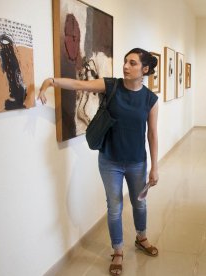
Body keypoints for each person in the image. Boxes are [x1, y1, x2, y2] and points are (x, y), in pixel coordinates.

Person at [38, 48, 159, 275]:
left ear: (144, 69)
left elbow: (152, 134)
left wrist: (155, 166)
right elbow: (79, 85)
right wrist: (51, 81)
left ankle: (141, 237)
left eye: (132, 63)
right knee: (114, 207)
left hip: (137, 162)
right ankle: (118, 251)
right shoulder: (111, 86)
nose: (125, 66)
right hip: (110, 160)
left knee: (140, 203)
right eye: (125, 61)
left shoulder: (150, 99)